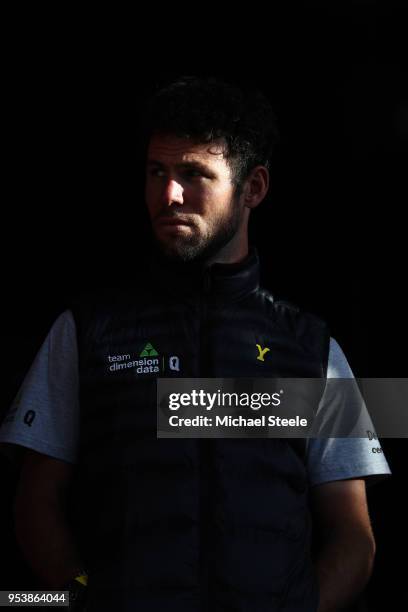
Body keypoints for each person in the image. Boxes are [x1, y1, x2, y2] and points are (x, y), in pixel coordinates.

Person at [0, 76, 391, 612]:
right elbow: (35, 506)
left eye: (194, 174)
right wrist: (83, 596)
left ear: (253, 188)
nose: (168, 195)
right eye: (156, 172)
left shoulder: (312, 347)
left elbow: (354, 536)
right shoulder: (87, 329)